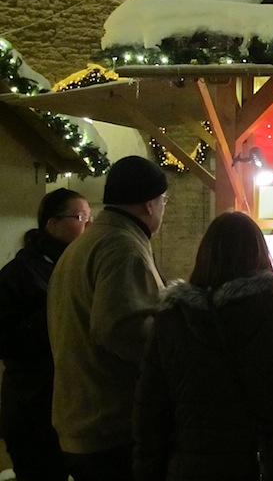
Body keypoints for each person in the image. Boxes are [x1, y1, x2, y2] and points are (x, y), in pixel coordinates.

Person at [133, 211, 273, 481]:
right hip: (269, 467)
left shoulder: (172, 323)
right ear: (261, 256)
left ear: (203, 257)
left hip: (192, 470)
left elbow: (150, 418)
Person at [47, 155, 169, 481]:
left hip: (81, 421)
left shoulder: (84, 244)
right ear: (149, 205)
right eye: (163, 200)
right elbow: (121, 328)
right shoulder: (123, 247)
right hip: (110, 427)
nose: (163, 208)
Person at [0, 189, 91, 481]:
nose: (88, 226)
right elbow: (8, 340)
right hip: (33, 407)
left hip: (68, 406)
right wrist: (59, 310)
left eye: (91, 218)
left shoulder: (75, 266)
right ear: (52, 225)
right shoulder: (20, 273)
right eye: (80, 218)